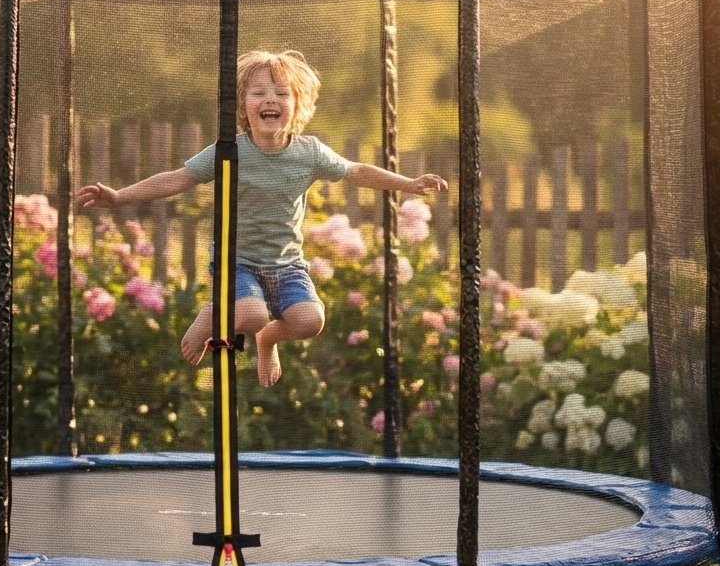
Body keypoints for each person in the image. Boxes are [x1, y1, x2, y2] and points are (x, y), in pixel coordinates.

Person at [76, 49, 447, 387]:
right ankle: (213, 314)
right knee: (252, 315)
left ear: (297, 104)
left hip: (287, 265)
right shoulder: (229, 151)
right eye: (259, 93)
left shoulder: (310, 153)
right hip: (236, 261)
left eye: (282, 93)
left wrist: (408, 183)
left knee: (310, 321)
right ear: (243, 106)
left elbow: (357, 171)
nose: (271, 99)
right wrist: (119, 197)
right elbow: (177, 178)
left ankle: (268, 339)